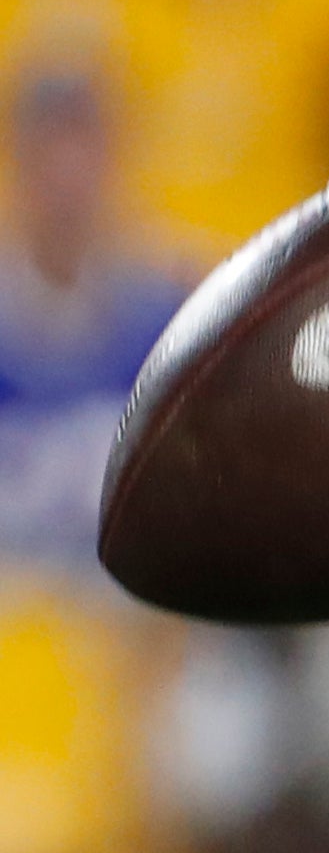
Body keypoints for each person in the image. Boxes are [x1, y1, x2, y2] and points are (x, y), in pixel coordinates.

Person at [0, 67, 191, 572]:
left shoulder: (176, 313)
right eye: (47, 152)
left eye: (83, 146)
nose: (66, 178)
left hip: (134, 614)